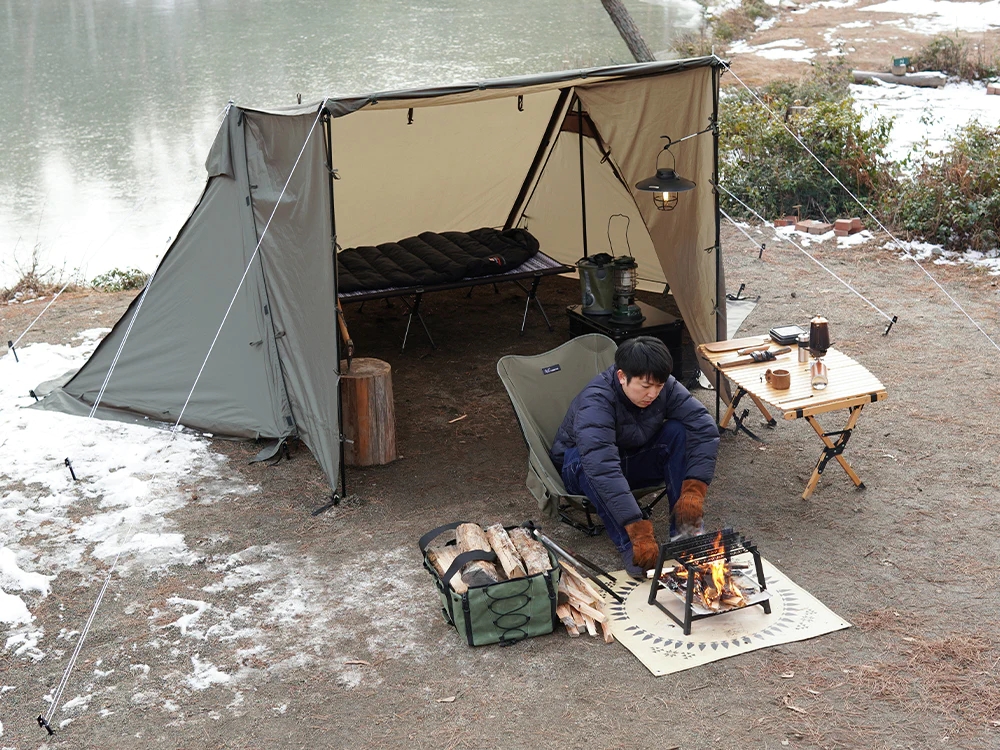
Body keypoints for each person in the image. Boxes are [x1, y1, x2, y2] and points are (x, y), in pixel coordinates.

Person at [550, 336, 720, 576]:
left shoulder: (665, 386)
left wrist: (694, 490)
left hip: (629, 460)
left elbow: (704, 429)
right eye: (645, 386)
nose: (652, 394)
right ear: (622, 377)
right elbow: (602, 467)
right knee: (584, 459)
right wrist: (637, 529)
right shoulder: (596, 401)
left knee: (677, 432)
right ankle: (631, 545)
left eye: (658, 387)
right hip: (581, 471)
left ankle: (686, 530)